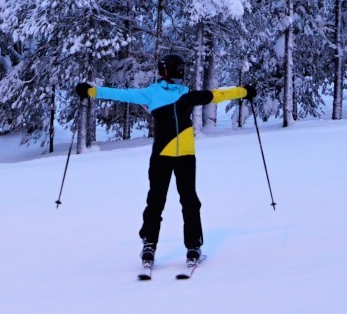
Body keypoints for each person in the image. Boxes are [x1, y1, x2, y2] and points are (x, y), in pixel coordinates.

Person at [74, 53, 256, 267]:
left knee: (158, 201)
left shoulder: (164, 94)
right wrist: (244, 92)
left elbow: (122, 94)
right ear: (177, 71)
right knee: (187, 201)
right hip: (184, 156)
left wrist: (91, 91)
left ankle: (152, 246)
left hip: (163, 155)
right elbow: (217, 95)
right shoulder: (185, 94)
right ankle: (190, 247)